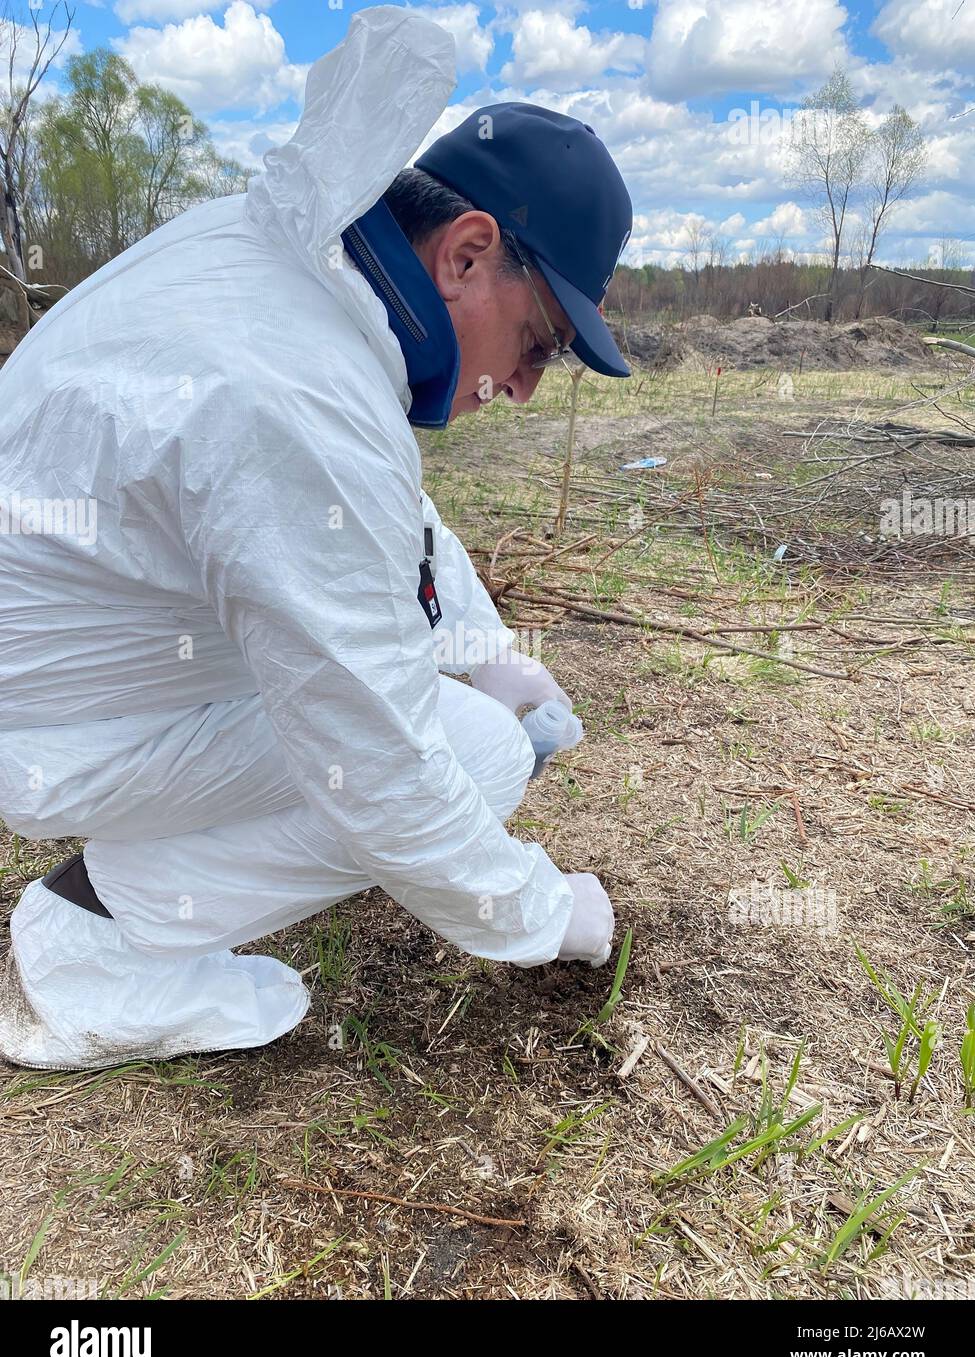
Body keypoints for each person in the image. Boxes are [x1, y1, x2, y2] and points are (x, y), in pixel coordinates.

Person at [0, 6, 632, 1070]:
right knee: (471, 754)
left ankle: (114, 904)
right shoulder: (295, 391)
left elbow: (390, 527)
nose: (521, 389)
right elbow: (376, 760)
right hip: (55, 731)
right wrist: (545, 910)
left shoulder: (283, 276)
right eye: (537, 346)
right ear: (467, 253)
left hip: (75, 681)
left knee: (458, 708)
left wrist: (490, 654)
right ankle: (92, 948)